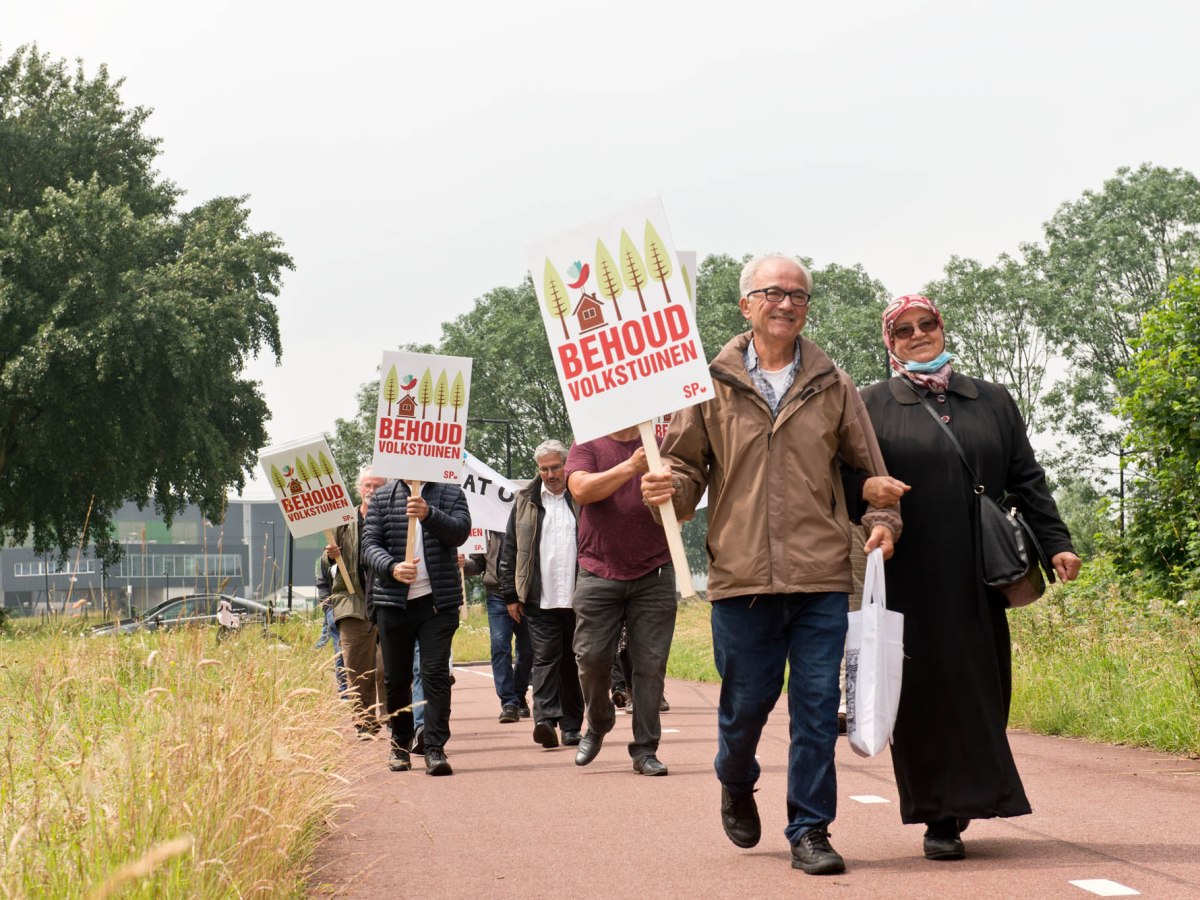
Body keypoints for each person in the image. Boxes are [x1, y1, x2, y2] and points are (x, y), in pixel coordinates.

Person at [642, 254, 902, 874]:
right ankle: (735, 777)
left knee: (816, 711)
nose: (787, 303)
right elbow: (682, 470)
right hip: (741, 578)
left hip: (820, 578)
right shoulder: (705, 384)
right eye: (774, 293)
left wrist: (883, 526)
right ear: (746, 305)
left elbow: (874, 476)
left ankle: (810, 829)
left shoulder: (833, 383)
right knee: (746, 708)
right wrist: (667, 490)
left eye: (799, 295)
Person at [849, 294, 1081, 861]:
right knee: (923, 694)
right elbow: (846, 478)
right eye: (903, 330)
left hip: (982, 572)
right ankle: (939, 818)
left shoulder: (992, 399)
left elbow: (1028, 477)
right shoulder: (869, 404)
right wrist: (869, 513)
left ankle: (973, 798)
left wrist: (1057, 543)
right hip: (911, 570)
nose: (917, 335)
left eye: (927, 324)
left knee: (984, 686)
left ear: (942, 327)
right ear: (890, 342)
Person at [566, 428, 676, 777]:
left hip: (654, 572)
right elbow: (581, 490)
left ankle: (645, 749)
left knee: (650, 665)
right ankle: (599, 721)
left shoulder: (663, 447)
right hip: (598, 571)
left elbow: (683, 509)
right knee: (591, 658)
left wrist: (673, 492)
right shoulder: (587, 443)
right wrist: (631, 466)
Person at [361, 477, 471, 776]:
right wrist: (392, 567)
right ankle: (399, 743)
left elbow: (460, 532)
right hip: (393, 604)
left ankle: (434, 747)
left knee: (434, 673)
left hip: (437, 604)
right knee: (396, 679)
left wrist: (429, 515)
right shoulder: (382, 498)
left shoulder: (450, 493)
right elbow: (369, 545)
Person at [499, 440, 584, 750]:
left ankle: (572, 727)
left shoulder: (581, 496)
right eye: (544, 469)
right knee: (546, 658)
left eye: (555, 467)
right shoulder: (525, 500)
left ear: (566, 465)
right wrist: (511, 594)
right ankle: (545, 720)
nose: (550, 474)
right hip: (539, 597)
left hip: (579, 598)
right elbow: (510, 549)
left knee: (574, 664)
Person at [320, 467, 389, 739]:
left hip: (385, 601)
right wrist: (329, 555)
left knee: (387, 665)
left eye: (378, 486)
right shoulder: (343, 520)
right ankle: (363, 721)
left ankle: (390, 716)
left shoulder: (392, 517)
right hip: (351, 601)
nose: (372, 491)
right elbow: (323, 565)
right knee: (355, 668)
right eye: (368, 485)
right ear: (359, 488)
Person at [463, 530, 533, 723]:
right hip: (497, 595)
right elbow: (476, 564)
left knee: (528, 649)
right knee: (500, 645)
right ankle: (509, 702)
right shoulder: (485, 527)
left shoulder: (525, 516)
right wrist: (462, 565)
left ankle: (519, 694)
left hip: (526, 594)